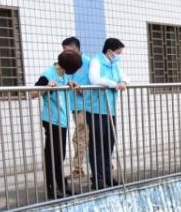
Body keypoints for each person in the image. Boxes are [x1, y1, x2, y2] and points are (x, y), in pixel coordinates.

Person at [32, 50, 83, 199]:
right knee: (52, 155)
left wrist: (71, 83)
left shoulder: (65, 74)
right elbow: (32, 94)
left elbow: (66, 83)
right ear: (67, 67)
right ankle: (51, 189)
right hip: (52, 120)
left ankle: (62, 185)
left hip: (62, 120)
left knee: (60, 154)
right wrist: (47, 86)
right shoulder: (47, 75)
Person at [86, 37, 128, 189]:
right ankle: (98, 179)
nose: (119, 56)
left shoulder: (114, 64)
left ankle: (108, 176)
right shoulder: (96, 61)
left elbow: (124, 77)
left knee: (109, 144)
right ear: (110, 51)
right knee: (97, 145)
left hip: (111, 110)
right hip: (96, 110)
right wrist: (113, 84)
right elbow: (94, 79)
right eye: (118, 53)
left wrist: (123, 82)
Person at [61, 36, 91, 179]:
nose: (66, 54)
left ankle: (78, 170)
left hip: (86, 106)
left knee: (79, 138)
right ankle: (105, 163)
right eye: (64, 51)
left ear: (76, 49)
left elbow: (96, 82)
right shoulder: (66, 64)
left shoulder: (88, 63)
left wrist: (83, 90)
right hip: (75, 107)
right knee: (86, 137)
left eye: (68, 50)